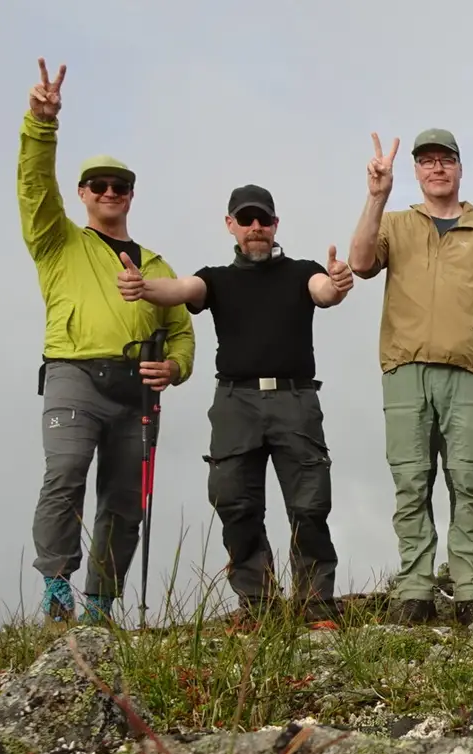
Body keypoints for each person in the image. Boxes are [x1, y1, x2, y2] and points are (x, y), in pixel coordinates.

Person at [116, 183, 354, 626]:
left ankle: (317, 604)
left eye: (264, 219)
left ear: (276, 224)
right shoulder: (217, 279)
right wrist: (143, 287)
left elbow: (325, 291)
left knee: (309, 504)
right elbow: (182, 288)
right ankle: (258, 603)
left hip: (295, 398)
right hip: (234, 400)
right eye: (246, 220)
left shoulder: (303, 270)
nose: (256, 228)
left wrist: (338, 283)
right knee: (234, 502)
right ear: (231, 226)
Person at [19, 58, 194, 625]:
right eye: (100, 185)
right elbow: (34, 187)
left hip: (138, 393)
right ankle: (55, 584)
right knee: (65, 473)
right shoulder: (58, 241)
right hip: (73, 375)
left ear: (131, 196)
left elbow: (183, 332)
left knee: (124, 501)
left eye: (121, 186)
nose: (110, 192)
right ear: (83, 193)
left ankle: (100, 603)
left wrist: (175, 368)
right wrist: (41, 124)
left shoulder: (160, 264)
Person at [348, 128, 473, 626]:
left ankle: (470, 591)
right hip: (404, 373)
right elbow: (361, 262)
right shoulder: (397, 224)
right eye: (426, 161)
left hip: (470, 375)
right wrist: (376, 196)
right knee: (411, 483)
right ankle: (415, 591)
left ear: (460, 168)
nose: (436, 168)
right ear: (418, 172)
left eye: (445, 159)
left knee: (467, 484)